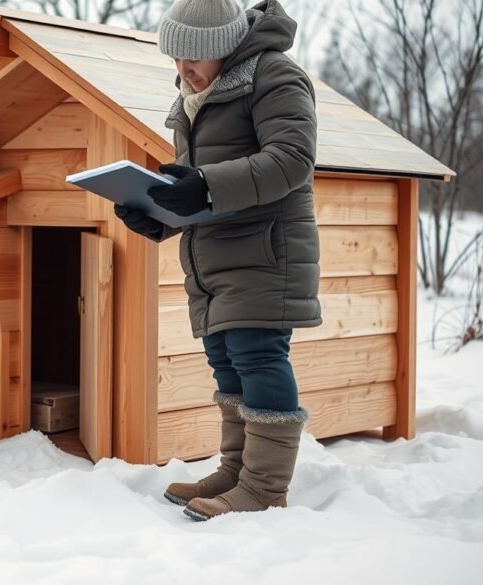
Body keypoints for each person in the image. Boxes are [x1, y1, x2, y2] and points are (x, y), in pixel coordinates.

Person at [113, 0, 321, 521]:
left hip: (266, 250)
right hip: (215, 255)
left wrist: (204, 185)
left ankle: (265, 488)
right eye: (175, 58)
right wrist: (158, 214)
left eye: (191, 58)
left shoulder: (274, 76)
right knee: (226, 360)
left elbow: (291, 159)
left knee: (258, 356)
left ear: (221, 48)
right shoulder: (195, 93)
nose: (181, 69)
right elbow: (196, 187)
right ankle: (237, 472)